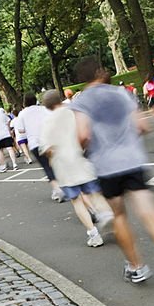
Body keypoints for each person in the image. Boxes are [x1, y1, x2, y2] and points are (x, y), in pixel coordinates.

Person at [70, 57, 154, 290]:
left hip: (107, 165)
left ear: (81, 79)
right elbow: (142, 127)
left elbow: (83, 135)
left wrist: (85, 148)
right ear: (99, 71)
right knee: (149, 212)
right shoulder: (121, 93)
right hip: (133, 160)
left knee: (120, 216)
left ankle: (136, 266)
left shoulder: (81, 102)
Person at [40, 90, 114, 247]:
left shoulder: (48, 121)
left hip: (63, 165)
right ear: (60, 99)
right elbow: (87, 133)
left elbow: (47, 148)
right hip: (81, 159)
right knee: (94, 192)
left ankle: (93, 234)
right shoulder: (74, 112)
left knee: (76, 200)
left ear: (46, 106)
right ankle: (106, 214)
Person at [19, 93, 64, 202]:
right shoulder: (43, 109)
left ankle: (57, 189)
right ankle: (64, 185)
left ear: (25, 102)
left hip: (35, 143)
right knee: (56, 164)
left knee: (46, 167)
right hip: (50, 140)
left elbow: (21, 130)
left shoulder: (22, 114)